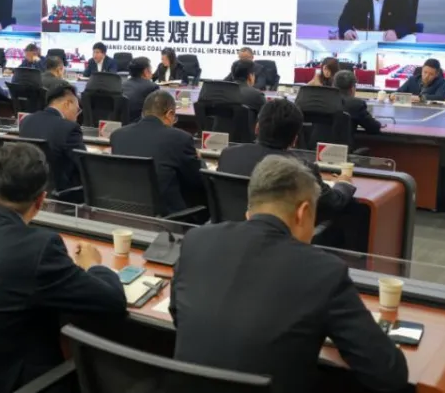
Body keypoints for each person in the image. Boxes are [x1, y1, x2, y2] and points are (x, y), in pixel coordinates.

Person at [170, 155, 408, 393]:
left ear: (249, 209)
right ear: (303, 212)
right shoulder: (324, 272)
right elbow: (388, 373)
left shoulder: (196, 240)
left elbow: (178, 315)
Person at [0, 142, 127, 393]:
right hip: (17, 382)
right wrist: (93, 265)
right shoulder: (40, 248)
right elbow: (112, 301)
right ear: (41, 200)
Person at [218, 99, 353, 224]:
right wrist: (343, 183)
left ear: (257, 128)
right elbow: (334, 202)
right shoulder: (301, 169)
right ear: (294, 139)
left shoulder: (228, 155)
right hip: (277, 239)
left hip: (228, 235)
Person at [110, 91, 204, 215]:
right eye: (174, 118)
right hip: (168, 218)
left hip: (124, 212)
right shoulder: (180, 138)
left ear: (143, 113)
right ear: (170, 114)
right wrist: (200, 159)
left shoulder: (117, 136)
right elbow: (199, 181)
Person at [18, 84, 85, 199]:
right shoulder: (69, 128)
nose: (77, 116)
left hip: (29, 187)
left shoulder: (26, 121)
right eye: (77, 110)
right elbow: (84, 165)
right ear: (68, 104)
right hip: (62, 193)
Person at [122, 56, 159, 123]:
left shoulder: (122, 84)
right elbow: (157, 110)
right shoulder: (152, 87)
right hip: (140, 125)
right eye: (150, 68)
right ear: (146, 71)